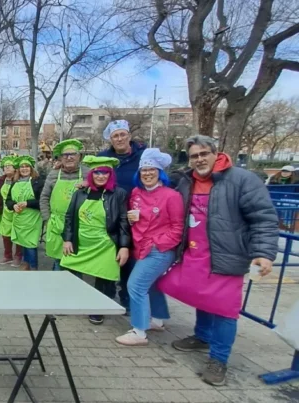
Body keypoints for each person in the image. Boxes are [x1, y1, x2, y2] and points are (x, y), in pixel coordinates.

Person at [157, 135, 278, 386]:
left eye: (204, 154)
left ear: (216, 153)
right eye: (194, 156)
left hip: (226, 256)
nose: (199, 159)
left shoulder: (242, 180)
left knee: (224, 308)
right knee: (199, 296)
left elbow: (263, 218)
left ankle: (219, 359)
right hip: (193, 253)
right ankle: (202, 336)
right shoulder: (187, 180)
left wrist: (264, 253)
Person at [115, 149, 184, 346]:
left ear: (160, 172)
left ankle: (139, 331)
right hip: (140, 246)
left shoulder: (171, 196)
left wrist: (158, 243)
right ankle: (157, 320)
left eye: (151, 170)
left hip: (158, 250)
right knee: (151, 284)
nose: (147, 173)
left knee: (135, 286)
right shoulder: (136, 193)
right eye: (144, 170)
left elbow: (178, 228)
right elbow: (134, 216)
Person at [62, 156, 130, 325]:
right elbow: (70, 217)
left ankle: (98, 308)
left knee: (103, 277)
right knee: (68, 269)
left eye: (105, 173)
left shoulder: (118, 193)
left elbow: (123, 221)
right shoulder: (80, 193)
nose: (100, 176)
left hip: (105, 244)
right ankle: (75, 300)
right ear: (91, 174)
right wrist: (67, 239)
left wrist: (123, 246)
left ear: (110, 174)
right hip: (81, 242)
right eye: (97, 172)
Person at [99, 119, 147, 311]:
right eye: (115, 136)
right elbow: (94, 177)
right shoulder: (104, 157)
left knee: (130, 258)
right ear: (110, 139)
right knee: (108, 257)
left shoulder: (142, 156)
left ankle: (127, 298)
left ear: (129, 135)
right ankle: (106, 296)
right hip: (109, 215)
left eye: (122, 134)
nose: (119, 139)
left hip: (135, 216)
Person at [40, 139, 88, 270]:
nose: (69, 157)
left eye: (73, 154)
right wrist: (47, 219)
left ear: (79, 156)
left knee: (76, 263)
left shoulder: (87, 173)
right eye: (65, 155)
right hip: (57, 224)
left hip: (79, 224)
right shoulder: (54, 174)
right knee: (59, 260)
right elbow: (44, 197)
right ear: (61, 158)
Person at [6, 156, 44, 270]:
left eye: (27, 166)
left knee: (31, 244)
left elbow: (42, 201)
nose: (24, 169)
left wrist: (28, 203)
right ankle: (26, 264)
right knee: (23, 243)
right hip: (19, 219)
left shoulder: (38, 182)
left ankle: (33, 267)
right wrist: (13, 205)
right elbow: (8, 200)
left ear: (31, 168)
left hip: (32, 220)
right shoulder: (15, 182)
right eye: (22, 167)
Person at [0, 156, 23, 265]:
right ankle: (7, 255)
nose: (7, 168)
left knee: (17, 234)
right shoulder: (1, 180)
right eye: (5, 166)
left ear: (15, 168)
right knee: (5, 235)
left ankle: (18, 256)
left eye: (9, 166)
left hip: (17, 210)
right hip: (5, 212)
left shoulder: (19, 180)